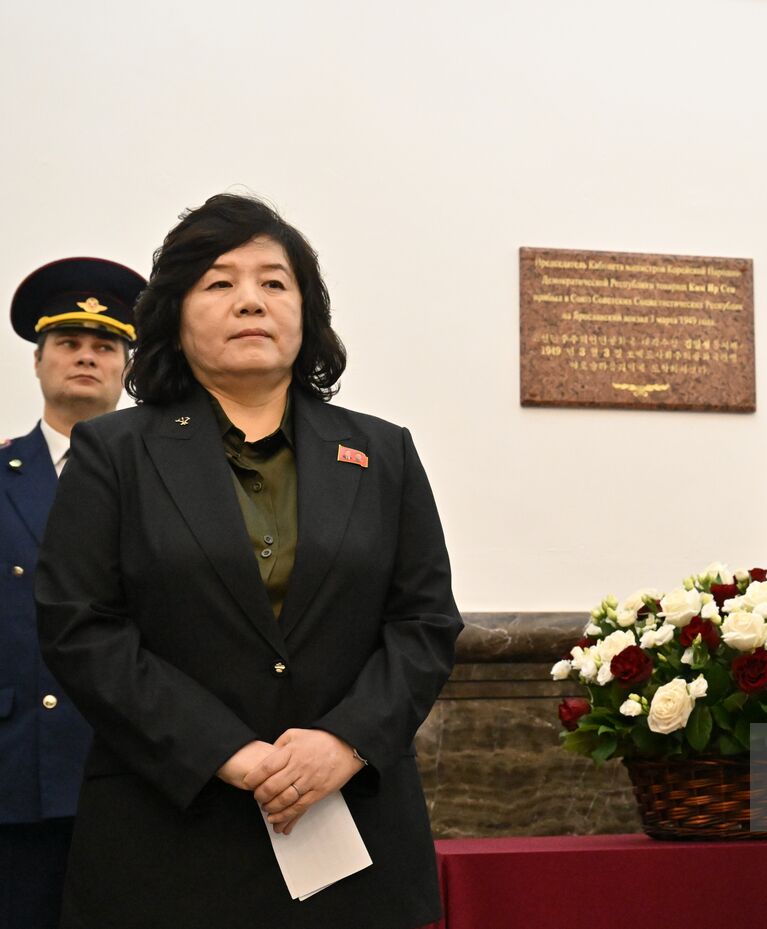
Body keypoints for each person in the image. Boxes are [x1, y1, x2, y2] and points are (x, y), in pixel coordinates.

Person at [35, 194, 463, 929]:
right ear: (174, 314)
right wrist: (227, 749)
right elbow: (81, 628)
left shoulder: (382, 451)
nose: (250, 302)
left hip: (351, 830)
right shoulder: (116, 451)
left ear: (306, 310)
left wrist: (346, 739)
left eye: (274, 282)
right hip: (169, 830)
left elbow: (423, 622)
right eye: (219, 282)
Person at [1, 257, 144, 929]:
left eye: (105, 345)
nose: (86, 356)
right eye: (68, 343)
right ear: (38, 361)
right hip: (14, 771)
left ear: (125, 366)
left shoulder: (167, 481)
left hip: (136, 770)